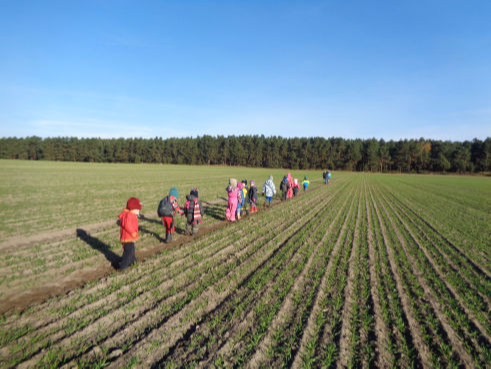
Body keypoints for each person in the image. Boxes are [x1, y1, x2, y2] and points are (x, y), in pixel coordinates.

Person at [119, 197, 142, 270]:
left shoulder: (131, 215)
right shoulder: (129, 215)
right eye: (137, 209)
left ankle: (133, 260)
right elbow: (127, 225)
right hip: (128, 237)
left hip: (129, 237)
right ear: (132, 208)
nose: (138, 211)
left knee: (132, 250)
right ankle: (123, 266)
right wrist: (133, 233)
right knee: (128, 252)